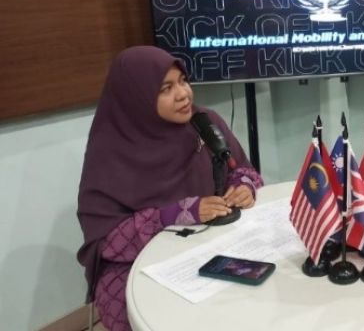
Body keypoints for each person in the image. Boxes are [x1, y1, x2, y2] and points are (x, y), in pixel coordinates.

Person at [76, 46, 263, 331]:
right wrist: (177, 213)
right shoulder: (111, 148)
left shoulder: (204, 122)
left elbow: (241, 169)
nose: (183, 94)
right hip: (135, 262)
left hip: (207, 239)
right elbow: (108, 242)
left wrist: (244, 186)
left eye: (183, 81)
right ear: (136, 96)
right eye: (166, 88)